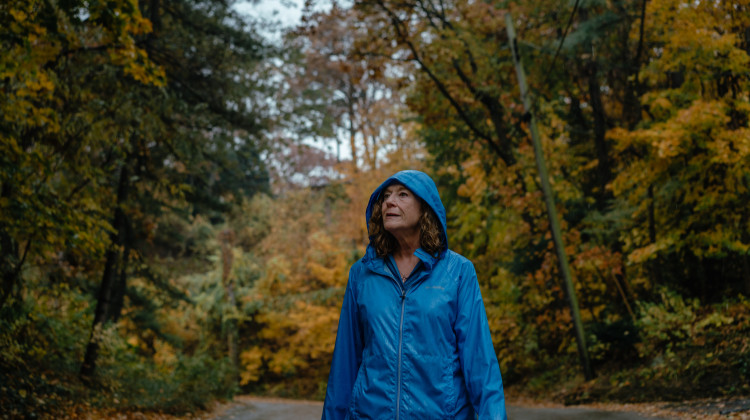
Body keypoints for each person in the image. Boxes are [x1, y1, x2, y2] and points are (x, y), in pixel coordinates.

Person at [322, 170, 508, 420]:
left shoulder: (459, 272)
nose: (389, 201)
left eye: (402, 194)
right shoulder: (361, 274)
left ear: (425, 207)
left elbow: (480, 363)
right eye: (386, 196)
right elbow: (344, 364)